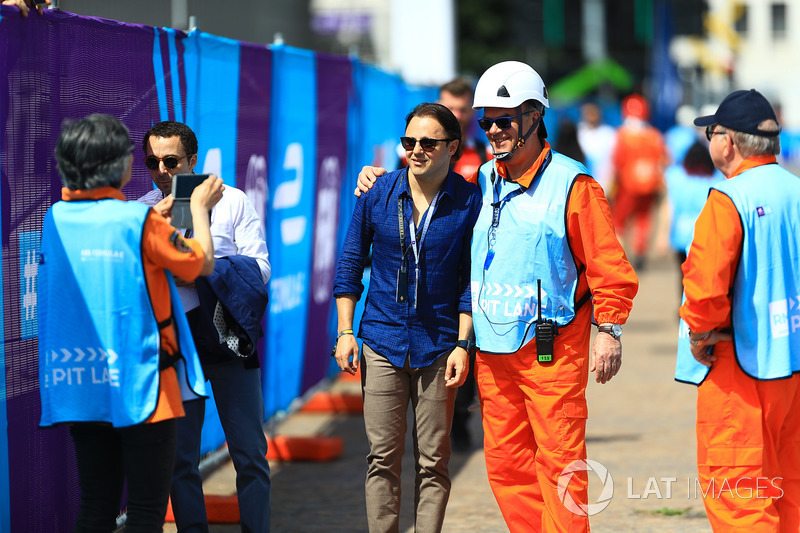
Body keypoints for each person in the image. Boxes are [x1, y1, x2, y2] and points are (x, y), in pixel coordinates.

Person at [356, 61, 639, 533]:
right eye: (485, 121)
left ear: (533, 116)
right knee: (507, 467)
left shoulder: (576, 186)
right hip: (491, 353)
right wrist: (379, 178)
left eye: (503, 120)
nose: (492, 130)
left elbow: (609, 265)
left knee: (560, 465)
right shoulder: (481, 181)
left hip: (552, 351)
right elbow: (425, 187)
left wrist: (609, 330)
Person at [38, 114, 222, 532]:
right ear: (114, 164)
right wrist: (197, 207)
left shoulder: (56, 217)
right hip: (146, 387)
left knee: (96, 507)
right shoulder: (138, 220)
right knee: (144, 511)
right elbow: (198, 263)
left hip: (82, 384)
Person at [334, 102, 482, 532]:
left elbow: (472, 278)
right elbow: (349, 265)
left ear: (452, 147)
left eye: (428, 143)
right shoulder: (376, 193)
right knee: (382, 455)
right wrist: (346, 332)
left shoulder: (467, 200)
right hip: (381, 338)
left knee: (434, 459)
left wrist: (462, 342)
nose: (416, 150)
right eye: (408, 142)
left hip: (438, 344)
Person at [138, 121, 272, 533]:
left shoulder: (232, 201)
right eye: (152, 162)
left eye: (171, 161)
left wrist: (202, 273)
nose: (162, 170)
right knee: (180, 457)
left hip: (227, 338)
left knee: (249, 452)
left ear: (193, 161)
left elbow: (262, 270)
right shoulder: (144, 210)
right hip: (176, 342)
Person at [676, 89, 800, 532]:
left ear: (727, 141)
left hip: (737, 368)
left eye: (712, 132)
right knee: (789, 489)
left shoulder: (728, 198)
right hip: (792, 362)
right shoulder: (796, 189)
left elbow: (705, 287)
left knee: (738, 494)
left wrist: (698, 334)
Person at [609, 94, 670, 271]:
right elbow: (663, 160)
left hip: (626, 185)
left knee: (619, 221)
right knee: (644, 220)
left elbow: (616, 163)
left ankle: (619, 258)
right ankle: (640, 255)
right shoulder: (654, 135)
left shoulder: (622, 135)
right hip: (649, 185)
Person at [664, 140, 723, 297]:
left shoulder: (674, 176)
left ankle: (683, 304)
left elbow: (669, 207)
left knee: (683, 274)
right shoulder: (717, 178)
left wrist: (663, 236)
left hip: (681, 235)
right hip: (707, 234)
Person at [576, 101, 616, 193]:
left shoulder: (609, 133)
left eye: (593, 111)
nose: (591, 114)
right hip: (583, 185)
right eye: (588, 111)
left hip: (605, 184)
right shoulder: (578, 132)